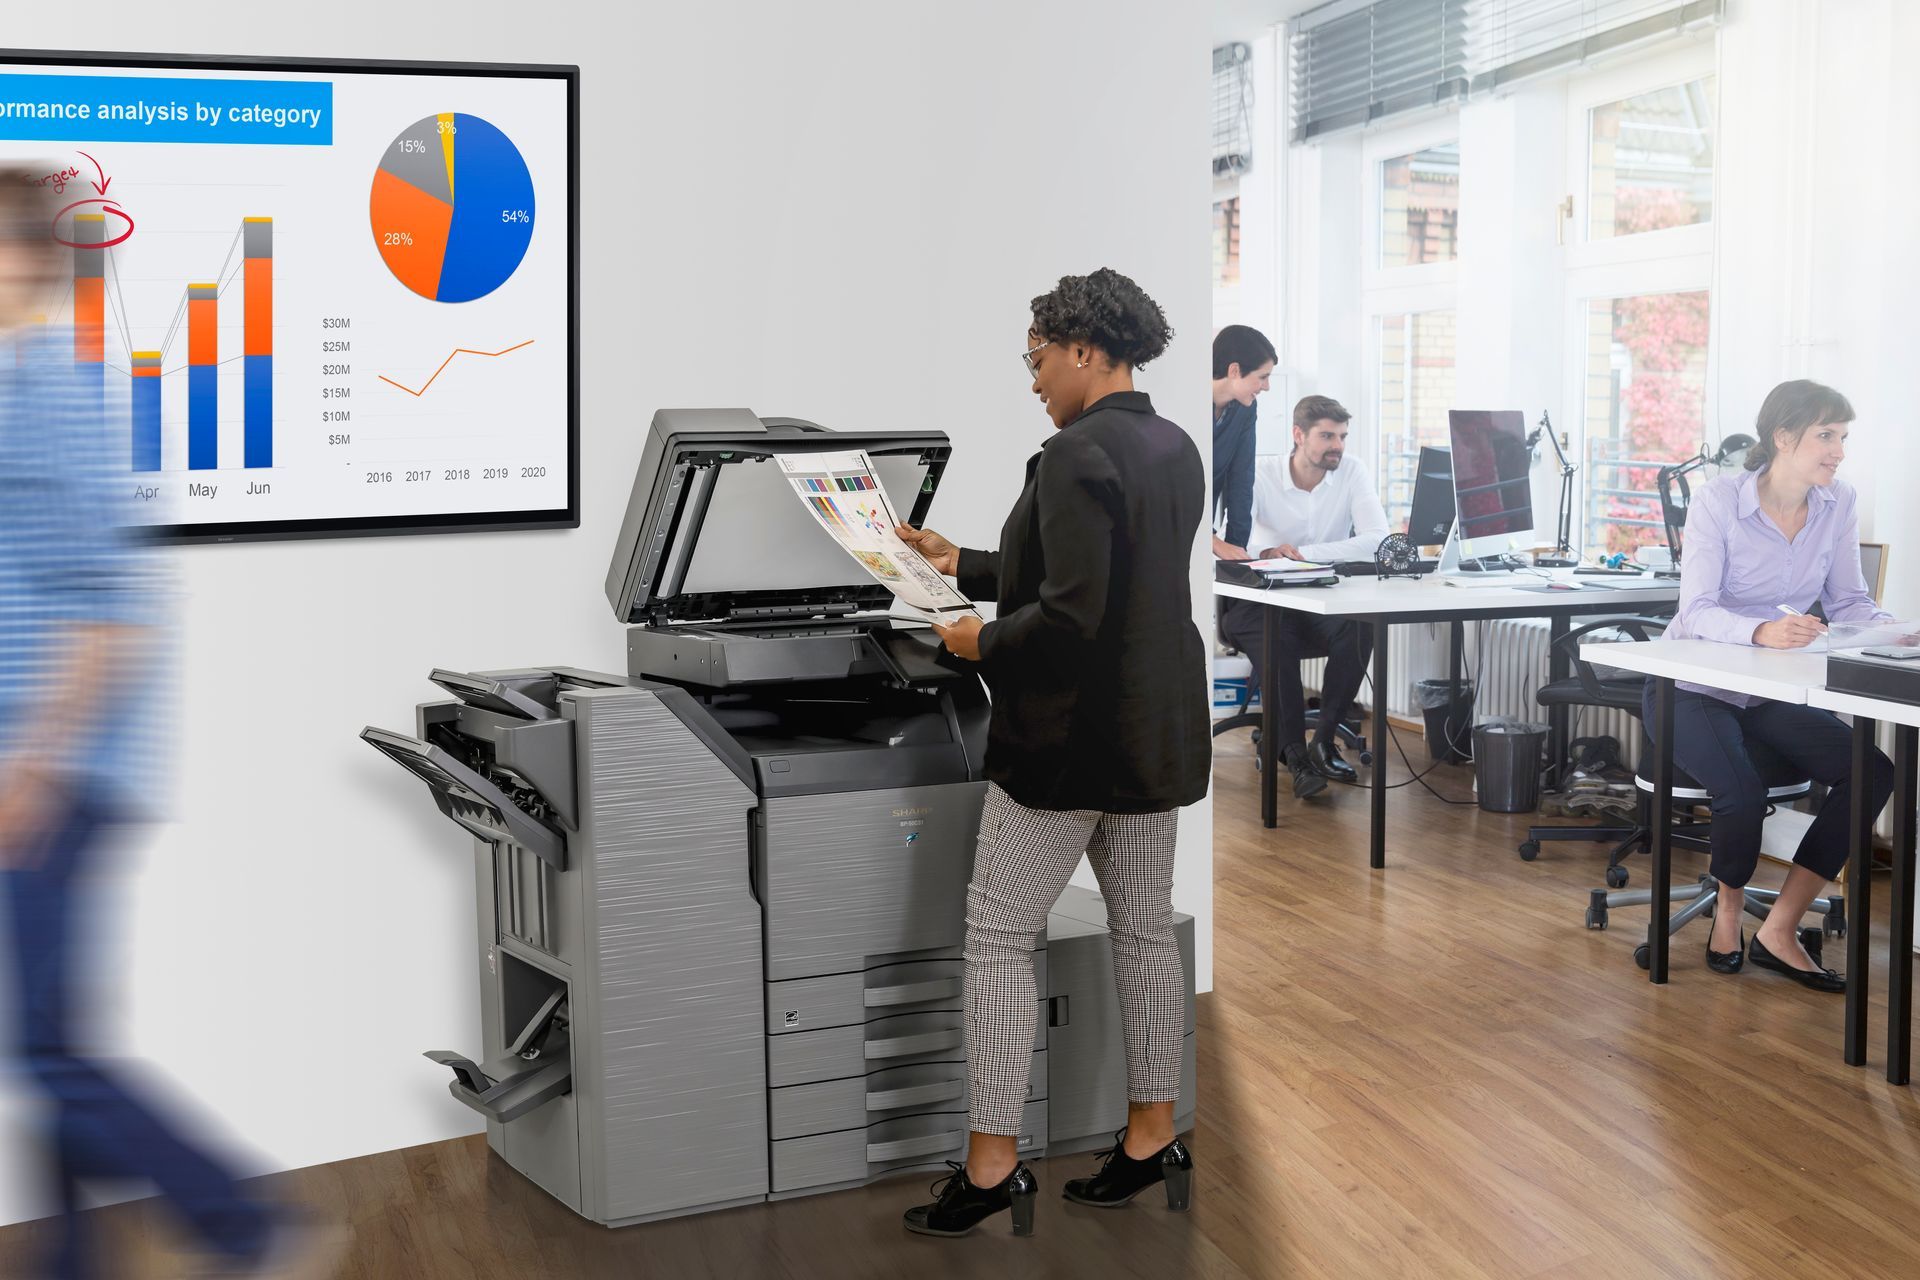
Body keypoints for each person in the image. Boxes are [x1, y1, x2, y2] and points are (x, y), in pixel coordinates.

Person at [0, 171, 334, 1278]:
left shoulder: (50, 387)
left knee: (47, 1045)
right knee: (56, 1037)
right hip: (41, 758)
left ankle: (244, 1221)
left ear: (21, 262)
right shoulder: (19, 382)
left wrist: (35, 765)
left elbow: (111, 607)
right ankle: (75, 1259)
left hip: (64, 764)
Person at [892, 268, 1207, 1239]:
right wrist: (967, 565)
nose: (1032, 379)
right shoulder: (1173, 442)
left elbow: (1071, 612)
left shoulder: (1075, 454)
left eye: (1036, 360)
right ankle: (1152, 1138)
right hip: (1151, 736)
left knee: (995, 936)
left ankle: (991, 1166)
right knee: (1144, 930)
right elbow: (1108, 579)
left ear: (1081, 349)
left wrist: (973, 638)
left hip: (1069, 745)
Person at [1665, 379, 1896, 990]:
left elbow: (1849, 601)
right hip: (1692, 686)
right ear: (1784, 437)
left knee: (1872, 770)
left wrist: (1900, 633)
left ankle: (1781, 926)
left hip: (1766, 691)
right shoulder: (1718, 501)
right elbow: (1696, 609)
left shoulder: (1836, 501)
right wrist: (1763, 630)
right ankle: (1730, 913)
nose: (1838, 451)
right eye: (1826, 436)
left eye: (1843, 437)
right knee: (1739, 790)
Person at [1217, 395, 1387, 799]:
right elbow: (1226, 541)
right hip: (1255, 601)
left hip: (1316, 601)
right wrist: (1267, 554)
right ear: (1298, 435)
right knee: (1278, 637)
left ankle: (1323, 741)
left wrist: (1304, 555)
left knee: (1362, 626)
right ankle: (1293, 755)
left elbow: (1376, 540)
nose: (1338, 446)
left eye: (1343, 436)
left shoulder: (1352, 472)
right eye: (1327, 436)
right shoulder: (1258, 474)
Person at [1211, 324, 1276, 561]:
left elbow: (1241, 479)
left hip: (1204, 538)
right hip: (1172, 529)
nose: (1267, 387)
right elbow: (1172, 485)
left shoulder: (1245, 409)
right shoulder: (1190, 401)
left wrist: (1238, 553)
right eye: (1263, 377)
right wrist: (1213, 542)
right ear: (1235, 370)